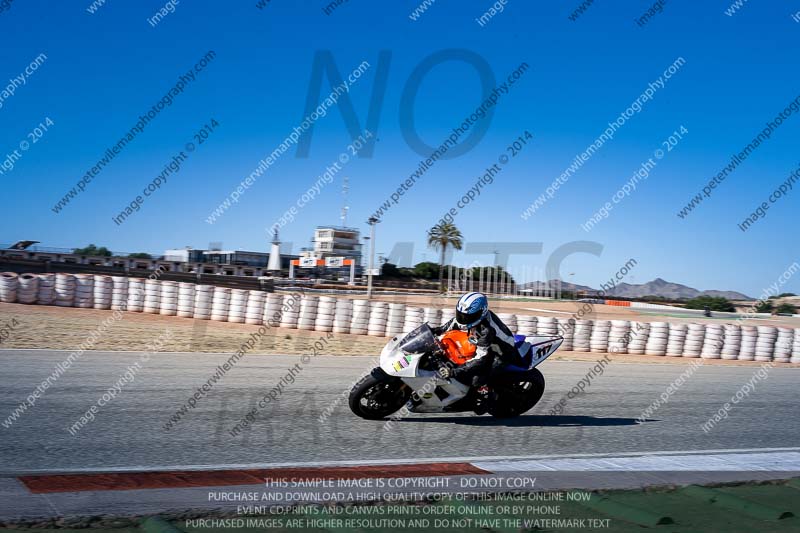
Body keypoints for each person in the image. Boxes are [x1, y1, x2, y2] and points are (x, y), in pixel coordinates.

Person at [431, 292, 520, 413]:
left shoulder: (486, 331)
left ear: (481, 313)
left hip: (501, 353)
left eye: (466, 317)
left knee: (476, 378)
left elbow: (480, 358)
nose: (463, 319)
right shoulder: (470, 317)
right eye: (461, 315)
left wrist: (453, 371)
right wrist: (436, 331)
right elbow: (453, 324)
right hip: (486, 344)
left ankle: (484, 398)